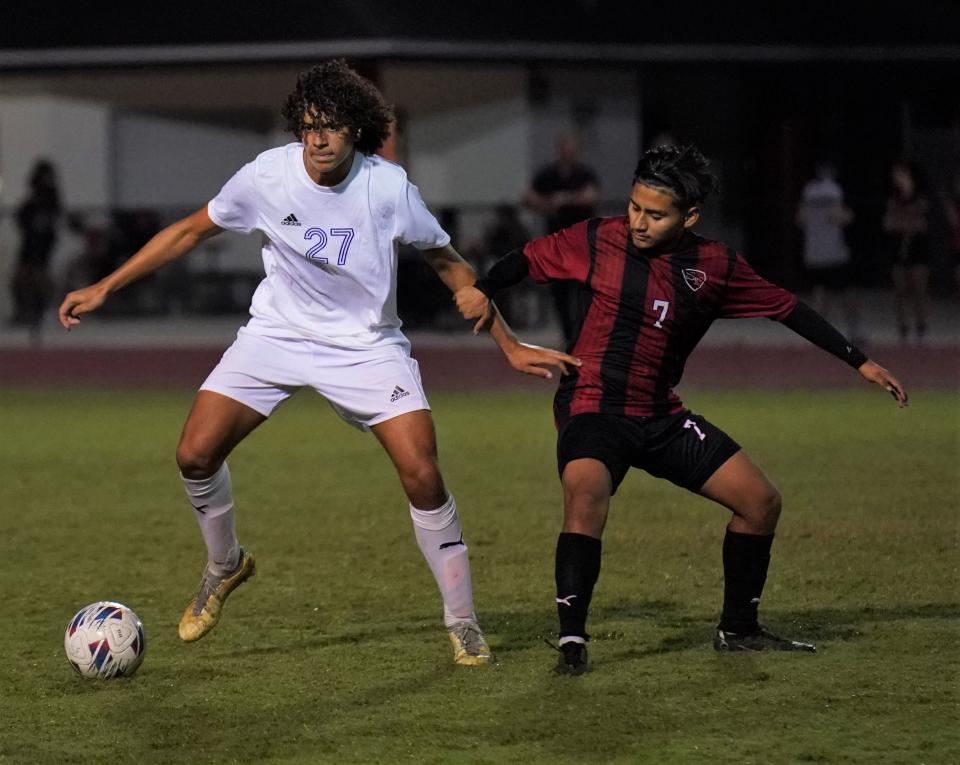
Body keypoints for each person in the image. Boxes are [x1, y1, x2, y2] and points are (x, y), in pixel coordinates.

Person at [59, 59, 577, 666]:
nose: (318, 139)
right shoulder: (266, 177)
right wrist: (106, 287)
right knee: (194, 454)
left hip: (365, 346)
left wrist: (510, 344)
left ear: (356, 130)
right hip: (276, 334)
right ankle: (224, 565)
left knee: (422, 472)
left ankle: (461, 619)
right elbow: (189, 232)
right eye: (307, 126)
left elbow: (450, 263)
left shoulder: (387, 188)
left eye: (330, 127)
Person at [455, 145, 907, 675]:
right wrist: (482, 289)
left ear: (688, 216)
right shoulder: (598, 238)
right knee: (586, 491)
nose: (639, 222)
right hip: (593, 402)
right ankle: (572, 643)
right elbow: (525, 260)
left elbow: (788, 309)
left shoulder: (714, 266)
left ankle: (738, 629)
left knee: (760, 503)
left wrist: (860, 362)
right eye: (634, 207)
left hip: (660, 413)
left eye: (655, 214)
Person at [523, 134, 599, 346]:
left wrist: (566, 199)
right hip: (556, 245)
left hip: (581, 244)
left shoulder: (584, 174)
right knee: (559, 293)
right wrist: (547, 204)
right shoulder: (547, 174)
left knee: (584, 291)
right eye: (565, 150)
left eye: (572, 150)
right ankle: (569, 337)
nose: (568, 154)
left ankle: (584, 335)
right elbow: (527, 197)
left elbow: (591, 195)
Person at [795, 162, 860, 342]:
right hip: (833, 251)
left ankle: (817, 331)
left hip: (814, 252)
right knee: (845, 292)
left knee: (821, 292)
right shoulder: (834, 191)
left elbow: (800, 218)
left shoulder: (808, 190)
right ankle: (853, 329)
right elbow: (842, 218)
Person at [882, 161, 931, 343]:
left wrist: (904, 223)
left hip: (918, 248)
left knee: (919, 289)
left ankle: (921, 327)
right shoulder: (893, 198)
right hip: (898, 248)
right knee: (900, 290)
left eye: (901, 175)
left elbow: (922, 224)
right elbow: (888, 223)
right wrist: (904, 224)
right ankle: (903, 327)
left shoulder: (921, 198)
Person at [10, 159, 61, 332]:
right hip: (30, 241)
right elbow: (22, 217)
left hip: (43, 241)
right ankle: (23, 311)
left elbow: (52, 217)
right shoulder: (33, 198)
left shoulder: (51, 198)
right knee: (22, 275)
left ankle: (50, 309)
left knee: (41, 274)